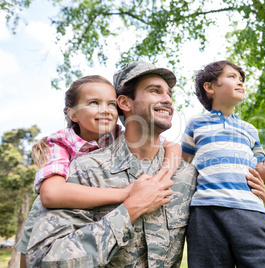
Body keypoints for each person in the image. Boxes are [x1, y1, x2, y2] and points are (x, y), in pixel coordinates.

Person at [25, 61, 265, 267]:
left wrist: (251, 196)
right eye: (155, 91)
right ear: (125, 103)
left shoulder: (188, 176)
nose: (167, 100)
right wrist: (129, 210)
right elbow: (44, 260)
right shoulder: (83, 169)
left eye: (169, 94)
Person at [16, 75, 181, 267]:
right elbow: (51, 195)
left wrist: (165, 174)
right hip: (56, 208)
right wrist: (125, 194)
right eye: (94, 103)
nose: (105, 110)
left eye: (111, 104)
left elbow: (172, 147)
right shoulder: (60, 141)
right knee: (29, 256)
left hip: (93, 213)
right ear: (73, 114)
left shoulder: (118, 135)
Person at [181, 60, 265, 267]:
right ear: (209, 87)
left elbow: (261, 173)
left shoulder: (250, 130)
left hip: (250, 213)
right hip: (206, 214)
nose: (240, 83)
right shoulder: (195, 124)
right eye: (232, 77)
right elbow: (182, 167)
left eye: (241, 79)